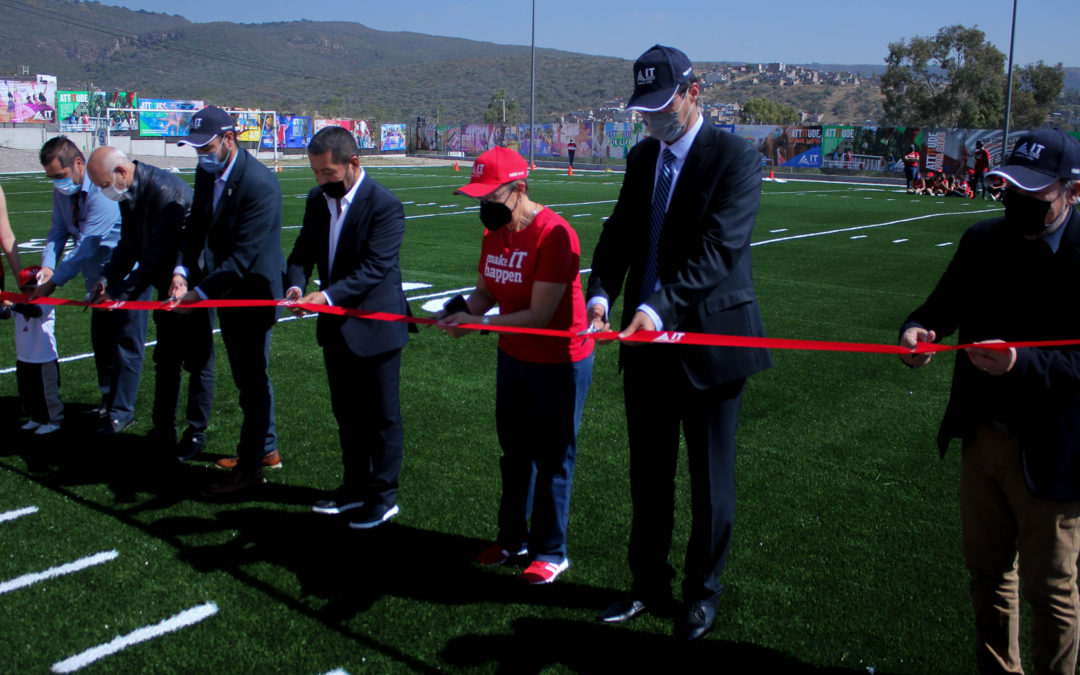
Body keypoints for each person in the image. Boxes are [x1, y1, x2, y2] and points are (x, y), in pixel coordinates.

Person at [586, 45, 771, 640]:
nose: (654, 121)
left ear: (695, 93)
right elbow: (618, 233)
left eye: (663, 107)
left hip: (712, 346)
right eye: (645, 111)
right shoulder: (643, 158)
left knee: (710, 480)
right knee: (649, 474)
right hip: (646, 348)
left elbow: (719, 252)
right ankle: (647, 583)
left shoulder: (736, 158)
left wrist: (652, 307)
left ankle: (702, 593)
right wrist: (599, 297)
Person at [898, 129, 1080, 675]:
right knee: (987, 572)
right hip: (983, 438)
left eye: (1035, 195)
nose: (1018, 203)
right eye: (1009, 189)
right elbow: (939, 307)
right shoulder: (983, 240)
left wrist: (1023, 362)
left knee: (1051, 589)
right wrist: (918, 332)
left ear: (1072, 191)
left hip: (1054, 449)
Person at [439, 146, 593, 585]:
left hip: (559, 362)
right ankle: (512, 538)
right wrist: (463, 313)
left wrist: (478, 325)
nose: (484, 208)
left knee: (552, 457)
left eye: (491, 198)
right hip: (514, 357)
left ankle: (551, 550)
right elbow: (485, 292)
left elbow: (540, 316)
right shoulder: (495, 233)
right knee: (514, 452)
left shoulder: (553, 234)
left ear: (519, 189)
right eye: (479, 200)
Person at [284, 126, 409, 529]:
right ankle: (354, 486)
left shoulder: (384, 205)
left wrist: (328, 297)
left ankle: (383, 496)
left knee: (382, 418)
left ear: (354, 164)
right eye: (316, 174)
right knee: (347, 414)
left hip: (377, 327)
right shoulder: (317, 200)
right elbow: (303, 250)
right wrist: (295, 284)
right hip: (335, 328)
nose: (322, 182)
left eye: (329, 174)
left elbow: (376, 269)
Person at [170, 106, 284, 494]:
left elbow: (242, 259)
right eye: (196, 148)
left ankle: (251, 467)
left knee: (252, 380)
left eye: (207, 146)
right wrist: (181, 272)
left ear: (229, 139)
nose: (202, 154)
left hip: (252, 293)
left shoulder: (261, 185)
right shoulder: (207, 174)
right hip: (225, 287)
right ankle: (265, 449)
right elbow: (195, 228)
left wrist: (199, 295)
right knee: (247, 377)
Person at [86, 146, 214, 462]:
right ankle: (163, 428)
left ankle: (195, 433)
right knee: (166, 358)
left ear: (121, 173)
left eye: (103, 184)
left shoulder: (164, 191)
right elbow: (129, 244)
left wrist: (121, 294)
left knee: (198, 361)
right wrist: (106, 278)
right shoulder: (131, 191)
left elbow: (156, 256)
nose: (103, 192)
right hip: (163, 282)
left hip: (190, 283)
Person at [30, 136, 126, 433]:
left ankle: (122, 412)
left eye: (59, 176)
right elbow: (58, 231)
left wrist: (53, 283)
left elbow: (85, 246)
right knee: (102, 340)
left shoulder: (100, 190)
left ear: (77, 164)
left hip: (120, 275)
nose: (57, 184)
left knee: (125, 343)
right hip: (94, 279)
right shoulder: (62, 193)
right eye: (51, 179)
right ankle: (108, 402)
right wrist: (47, 266)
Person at [3, 266, 62, 435]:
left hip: (44, 357)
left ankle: (53, 420)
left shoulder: (45, 301)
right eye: (26, 288)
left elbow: (34, 312)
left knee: (47, 392)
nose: (29, 291)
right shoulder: (20, 302)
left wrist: (13, 304)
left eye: (32, 287)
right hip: (24, 357)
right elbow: (6, 314)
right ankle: (36, 417)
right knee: (28, 391)